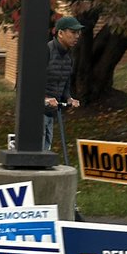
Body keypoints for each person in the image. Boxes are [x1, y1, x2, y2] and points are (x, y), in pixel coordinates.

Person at [43, 15, 82, 153]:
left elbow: (65, 82)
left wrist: (69, 98)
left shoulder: (68, 56)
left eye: (78, 33)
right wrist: (45, 98)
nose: (77, 36)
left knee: (46, 150)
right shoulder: (46, 51)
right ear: (60, 33)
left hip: (51, 111)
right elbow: (31, 82)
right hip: (35, 111)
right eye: (73, 32)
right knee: (38, 152)